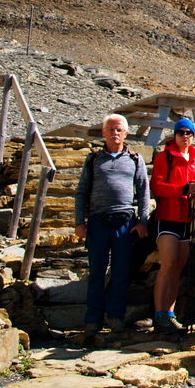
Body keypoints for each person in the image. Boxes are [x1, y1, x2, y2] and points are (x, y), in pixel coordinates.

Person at [75, 114, 150, 338]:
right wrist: (79, 221)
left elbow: (144, 191)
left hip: (125, 222)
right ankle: (93, 320)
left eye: (119, 130)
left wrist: (143, 221)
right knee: (97, 271)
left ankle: (116, 317)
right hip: (98, 222)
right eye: (111, 129)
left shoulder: (135, 160)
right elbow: (81, 192)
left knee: (120, 272)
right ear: (104, 133)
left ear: (126, 133)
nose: (115, 133)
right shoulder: (94, 160)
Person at [149, 118, 195, 334]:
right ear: (175, 135)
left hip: (189, 218)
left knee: (178, 267)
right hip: (168, 217)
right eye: (181, 132)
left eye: (189, 133)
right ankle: (159, 314)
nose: (185, 136)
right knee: (168, 263)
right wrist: (182, 190)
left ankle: (170, 314)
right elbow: (156, 186)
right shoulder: (164, 157)